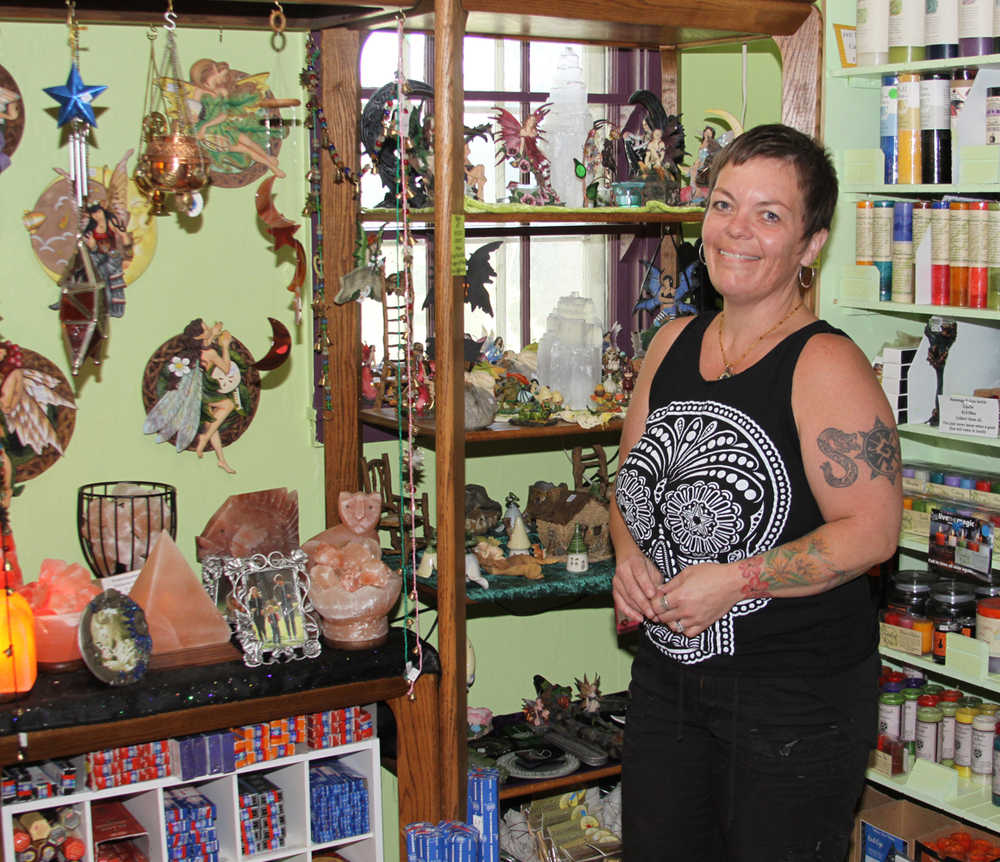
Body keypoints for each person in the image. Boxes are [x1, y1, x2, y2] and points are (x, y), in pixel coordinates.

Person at [610, 123, 902, 861]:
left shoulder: (825, 364)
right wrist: (629, 558)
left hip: (792, 701)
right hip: (668, 683)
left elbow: (872, 532)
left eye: (769, 215)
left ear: (810, 245)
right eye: (723, 204)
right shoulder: (671, 343)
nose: (736, 230)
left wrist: (736, 581)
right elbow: (629, 484)